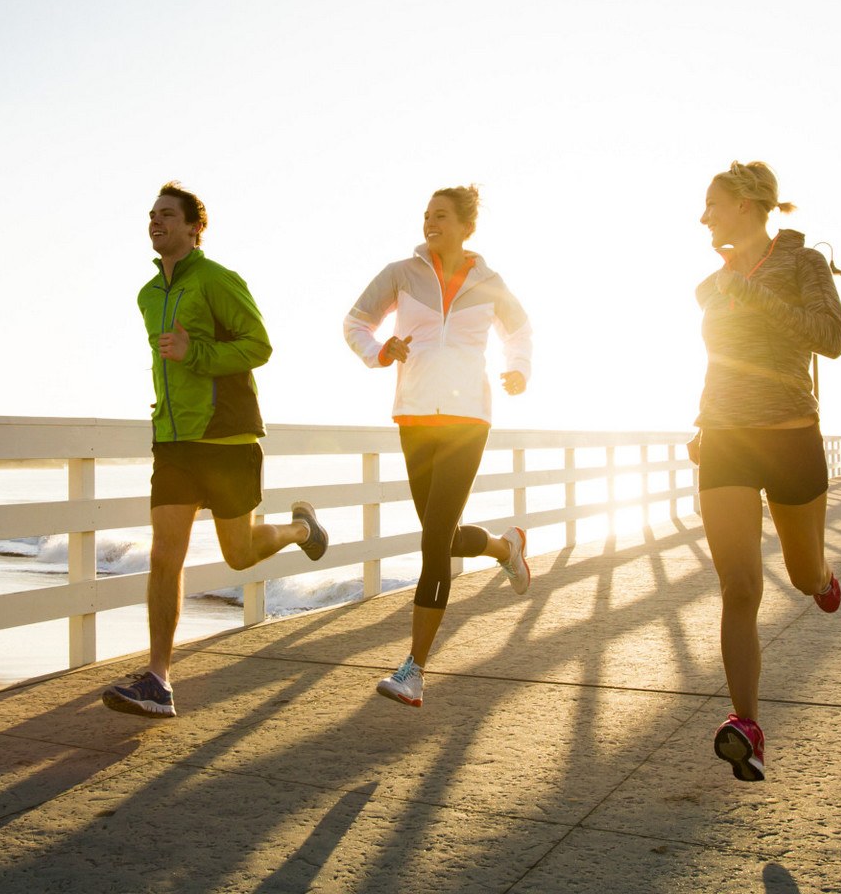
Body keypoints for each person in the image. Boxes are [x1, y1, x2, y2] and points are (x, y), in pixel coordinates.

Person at [103, 182, 328, 720]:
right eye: (151, 215)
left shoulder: (218, 281)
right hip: (174, 443)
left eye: (167, 215)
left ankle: (302, 530)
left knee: (239, 553)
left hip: (226, 440)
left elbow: (259, 346)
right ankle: (158, 679)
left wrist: (194, 351)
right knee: (164, 556)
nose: (155, 222)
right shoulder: (147, 295)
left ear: (194, 227)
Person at [343, 184, 533, 709]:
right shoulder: (401, 274)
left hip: (468, 419)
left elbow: (520, 332)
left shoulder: (490, 282)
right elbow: (355, 321)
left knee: (433, 543)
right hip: (414, 416)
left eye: (442, 216)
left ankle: (413, 669)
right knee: (438, 535)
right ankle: (502, 547)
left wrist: (517, 369)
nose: (430, 224)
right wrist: (381, 351)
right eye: (426, 215)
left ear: (466, 225)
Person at [691, 161, 841, 780]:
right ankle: (746, 726)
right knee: (739, 588)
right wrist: (703, 422)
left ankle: (822, 576)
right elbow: (720, 362)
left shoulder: (804, 265)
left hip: (790, 437)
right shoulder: (709, 286)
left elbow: (830, 339)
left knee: (801, 572)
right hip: (726, 439)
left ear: (749, 206)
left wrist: (752, 294)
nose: (703, 217)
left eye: (712, 204)